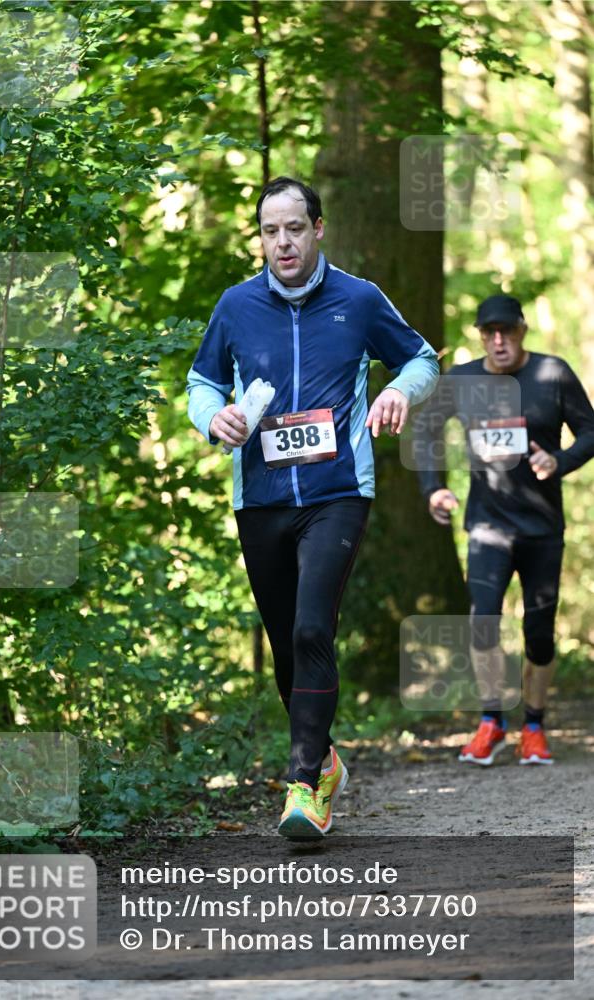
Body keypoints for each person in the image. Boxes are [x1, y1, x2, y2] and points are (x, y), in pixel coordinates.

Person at [186, 177, 439, 839]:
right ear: (261, 238)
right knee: (284, 648)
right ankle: (324, 758)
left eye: (294, 228)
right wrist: (216, 420)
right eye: (270, 231)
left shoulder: (357, 299)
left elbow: (420, 357)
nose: (282, 242)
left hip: (336, 494)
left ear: (318, 228)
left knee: (309, 629)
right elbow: (201, 383)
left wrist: (399, 395)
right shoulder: (236, 306)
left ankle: (303, 784)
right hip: (261, 498)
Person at [417, 294, 594, 766]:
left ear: (522, 330)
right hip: (488, 526)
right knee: (483, 622)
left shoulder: (551, 374)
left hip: (541, 528)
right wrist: (434, 487)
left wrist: (559, 461)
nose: (498, 341)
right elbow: (427, 429)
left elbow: (591, 430)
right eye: (488, 333)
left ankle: (533, 727)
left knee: (539, 633)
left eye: (507, 331)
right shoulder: (462, 379)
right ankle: (491, 720)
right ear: (480, 335)